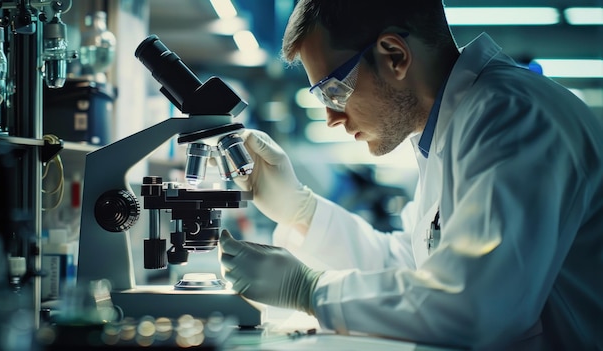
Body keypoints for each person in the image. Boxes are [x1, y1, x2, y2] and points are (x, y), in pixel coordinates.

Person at [218, 1, 603, 350]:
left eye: (333, 91)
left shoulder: (511, 117)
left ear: (395, 56)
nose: (331, 118)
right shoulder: (447, 130)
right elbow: (412, 267)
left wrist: (308, 289)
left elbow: (477, 305)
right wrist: (302, 210)